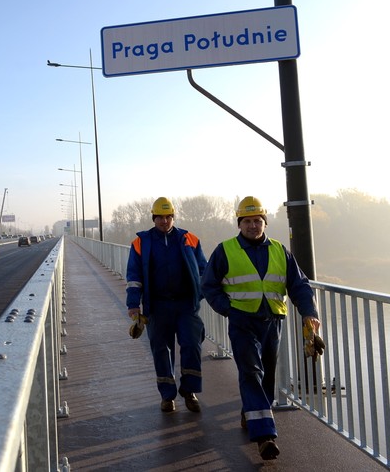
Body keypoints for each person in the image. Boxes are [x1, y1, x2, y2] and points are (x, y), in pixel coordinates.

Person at [201, 196, 321, 461]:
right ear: (239, 223)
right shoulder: (225, 250)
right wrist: (227, 308)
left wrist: (309, 314)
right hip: (242, 321)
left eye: (258, 221)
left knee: (266, 374)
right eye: (247, 221)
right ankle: (265, 435)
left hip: (272, 321)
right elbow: (209, 285)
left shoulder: (280, 250)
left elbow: (299, 285)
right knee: (251, 371)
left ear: (264, 222)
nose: (253, 226)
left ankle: (252, 412)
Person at [126, 197, 207, 413]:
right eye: (160, 217)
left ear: (173, 217)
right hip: (157, 306)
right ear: (153, 218)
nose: (164, 221)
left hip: (185, 306)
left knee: (191, 345)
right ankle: (167, 395)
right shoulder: (141, 242)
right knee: (161, 350)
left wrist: (199, 294)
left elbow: (203, 270)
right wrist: (134, 304)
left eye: (168, 216)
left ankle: (189, 392)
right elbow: (134, 275)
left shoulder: (189, 239)